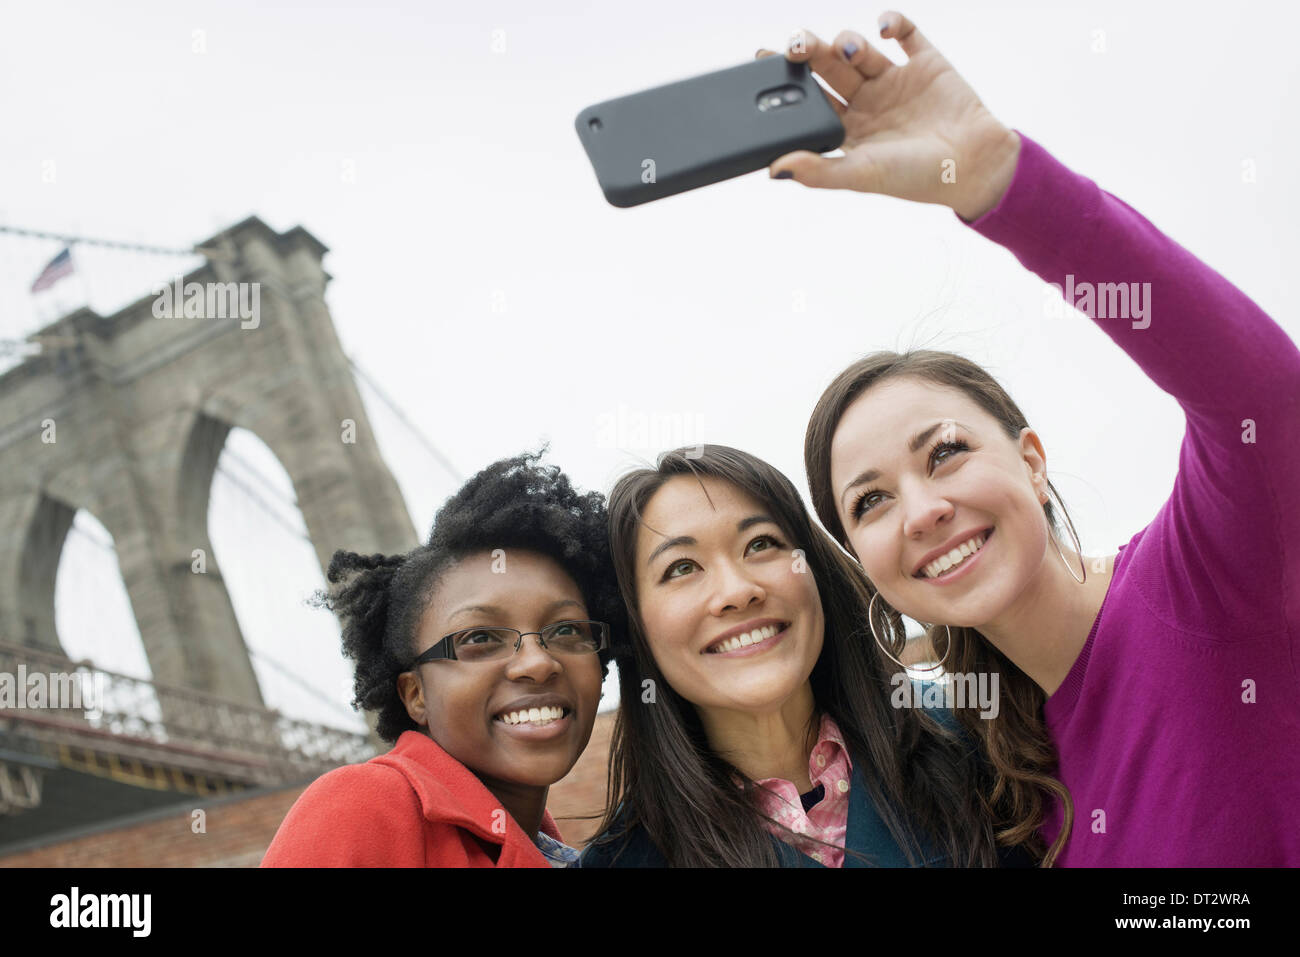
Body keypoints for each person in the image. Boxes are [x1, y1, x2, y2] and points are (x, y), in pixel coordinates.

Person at [784, 13, 1300, 865]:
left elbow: (1261, 395)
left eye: (944, 451)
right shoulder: (992, 787)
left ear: (1030, 458)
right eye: (870, 501)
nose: (922, 509)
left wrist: (1006, 186)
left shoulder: (1206, 581)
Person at [580, 444, 1036, 867]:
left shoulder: (985, 743)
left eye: (761, 544)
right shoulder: (624, 859)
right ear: (634, 626)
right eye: (681, 568)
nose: (737, 592)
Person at [261, 450, 624, 867]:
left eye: (566, 630)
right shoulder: (366, 806)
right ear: (415, 695)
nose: (538, 663)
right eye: (481, 637)